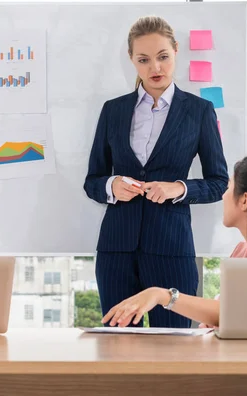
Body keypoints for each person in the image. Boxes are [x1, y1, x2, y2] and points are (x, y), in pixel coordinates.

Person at [83, 15, 228, 328]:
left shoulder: (198, 111)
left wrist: (180, 188)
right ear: (131, 60)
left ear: (176, 51)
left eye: (163, 57)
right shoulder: (114, 110)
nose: (155, 68)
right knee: (118, 347)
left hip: (171, 249)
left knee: (176, 350)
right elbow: (92, 181)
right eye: (144, 60)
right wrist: (112, 185)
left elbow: (219, 182)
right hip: (116, 250)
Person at [102, 152, 247, 328]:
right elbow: (222, 314)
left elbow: (233, 313)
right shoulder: (242, 253)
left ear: (245, 200)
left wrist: (162, 295)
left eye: (228, 188)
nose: (222, 195)